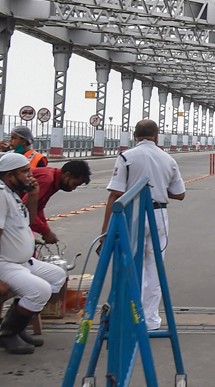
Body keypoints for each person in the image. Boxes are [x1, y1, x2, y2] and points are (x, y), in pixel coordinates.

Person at [0, 153, 66, 354]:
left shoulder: (9, 192)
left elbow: (26, 222)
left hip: (15, 262)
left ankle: (16, 326)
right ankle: (8, 334)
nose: (30, 175)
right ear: (10, 175)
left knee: (57, 277)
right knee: (40, 290)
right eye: (25, 172)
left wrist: (34, 195)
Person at [101, 119, 186, 332]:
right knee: (154, 268)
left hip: (132, 215)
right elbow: (179, 194)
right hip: (158, 216)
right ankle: (149, 322)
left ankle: (128, 316)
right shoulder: (168, 159)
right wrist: (157, 189)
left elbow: (115, 195)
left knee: (129, 265)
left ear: (134, 136)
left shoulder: (126, 157)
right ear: (157, 136)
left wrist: (105, 232)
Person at [27, 160, 92, 244]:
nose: (73, 188)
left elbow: (38, 208)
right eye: (74, 184)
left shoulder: (55, 182)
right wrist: (45, 232)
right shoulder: (47, 179)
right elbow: (25, 209)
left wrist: (46, 231)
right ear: (67, 175)